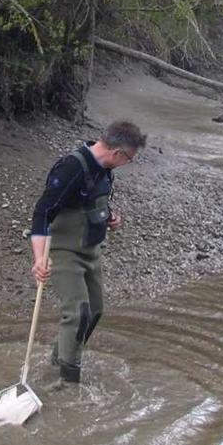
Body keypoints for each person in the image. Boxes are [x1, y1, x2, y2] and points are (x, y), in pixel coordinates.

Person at [29, 120, 147, 384]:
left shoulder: (105, 170)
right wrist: (39, 259)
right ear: (117, 152)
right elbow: (43, 213)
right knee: (78, 312)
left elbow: (95, 202)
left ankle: (58, 360)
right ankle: (68, 383)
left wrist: (110, 218)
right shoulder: (72, 167)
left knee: (94, 311)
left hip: (91, 251)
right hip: (64, 251)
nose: (128, 163)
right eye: (129, 158)